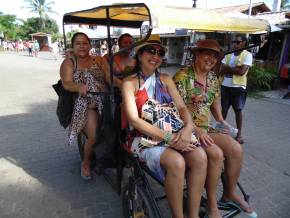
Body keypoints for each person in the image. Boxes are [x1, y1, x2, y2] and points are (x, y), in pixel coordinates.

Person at [122, 34, 207, 218]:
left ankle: (192, 214)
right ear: (139, 54)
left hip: (173, 132)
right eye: (150, 51)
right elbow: (134, 120)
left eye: (160, 52)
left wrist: (187, 129)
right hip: (144, 137)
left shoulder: (166, 79)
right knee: (177, 163)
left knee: (200, 157)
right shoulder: (129, 83)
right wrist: (169, 138)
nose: (156, 56)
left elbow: (183, 107)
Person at [173, 39, 257, 218]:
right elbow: (176, 109)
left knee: (235, 148)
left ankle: (229, 193)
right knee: (217, 154)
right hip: (185, 128)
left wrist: (220, 119)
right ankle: (212, 203)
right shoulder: (183, 76)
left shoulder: (212, 77)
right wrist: (195, 129)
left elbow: (215, 100)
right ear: (197, 54)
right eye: (207, 54)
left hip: (205, 127)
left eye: (215, 56)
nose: (211, 59)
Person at [60, 32, 112, 180]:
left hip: (105, 99)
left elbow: (109, 77)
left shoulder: (99, 60)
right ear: (73, 46)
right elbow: (67, 83)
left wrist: (124, 85)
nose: (82, 46)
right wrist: (78, 87)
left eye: (84, 43)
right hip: (85, 104)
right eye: (78, 43)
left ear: (89, 45)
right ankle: (86, 162)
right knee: (94, 136)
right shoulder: (69, 63)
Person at [220, 35, 253, 144]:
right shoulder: (228, 54)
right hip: (225, 85)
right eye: (234, 41)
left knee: (238, 110)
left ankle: (239, 134)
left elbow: (241, 72)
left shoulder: (248, 55)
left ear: (244, 43)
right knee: (223, 110)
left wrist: (228, 69)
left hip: (238, 87)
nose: (235, 44)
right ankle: (220, 131)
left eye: (238, 42)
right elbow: (221, 69)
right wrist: (235, 69)